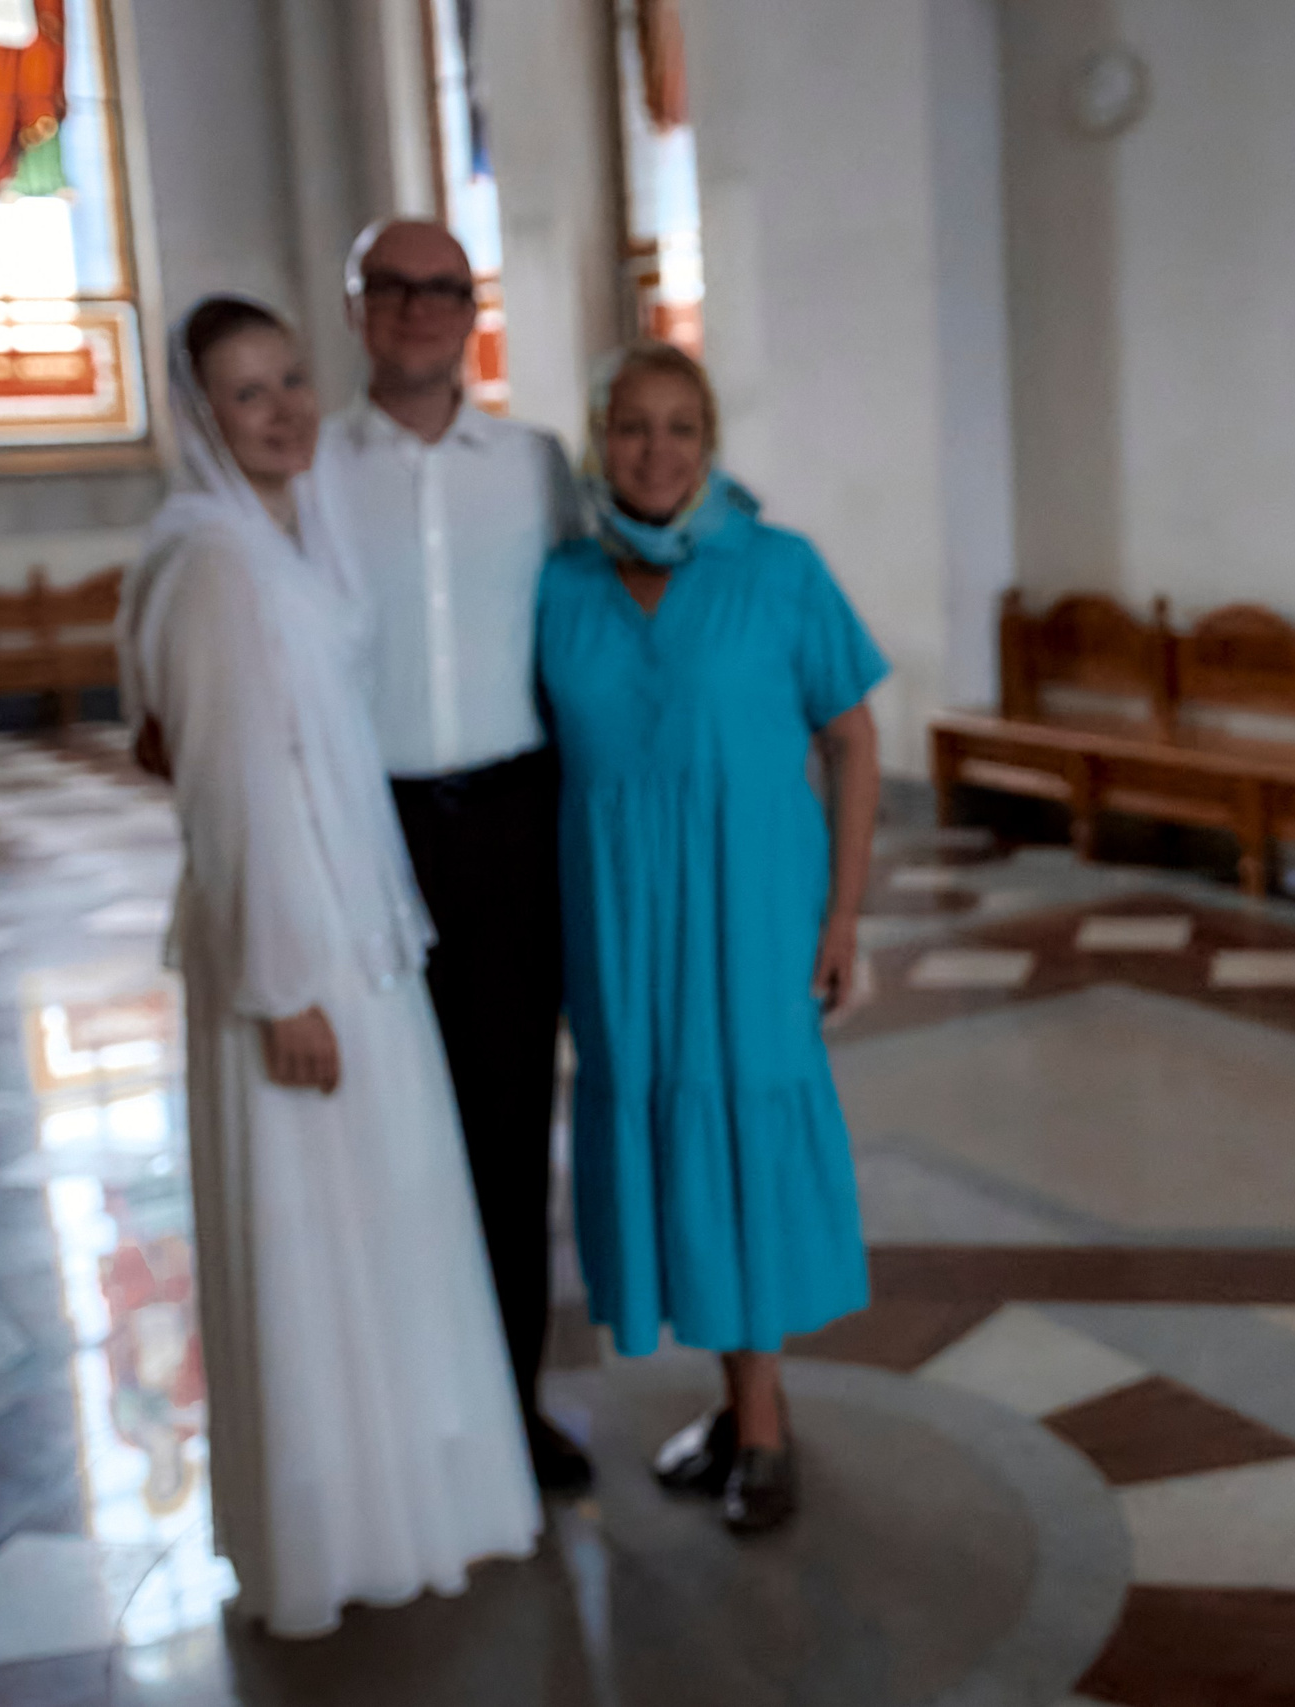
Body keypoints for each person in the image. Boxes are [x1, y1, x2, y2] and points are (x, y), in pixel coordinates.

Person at [118, 297, 539, 1638]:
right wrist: (283, 984)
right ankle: (339, 1521)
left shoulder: (295, 534)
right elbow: (231, 798)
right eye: (248, 394)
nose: (286, 409)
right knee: (320, 1240)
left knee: (389, 1221)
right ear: (202, 417)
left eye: (293, 380)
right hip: (296, 954)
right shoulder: (216, 564)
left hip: (364, 930)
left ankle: (407, 1496)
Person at [535, 341, 885, 1536]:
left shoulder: (780, 570)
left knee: (742, 1145)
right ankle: (734, 1411)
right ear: (598, 440)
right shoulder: (559, 585)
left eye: (681, 426)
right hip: (619, 932)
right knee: (667, 1150)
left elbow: (853, 738)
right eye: (631, 426)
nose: (656, 450)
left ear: (712, 438)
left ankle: (766, 1422)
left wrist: (841, 915)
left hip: (750, 920)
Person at [316, 219, 591, 1494]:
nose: (419, 308)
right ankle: (400, 1416)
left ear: (472, 311)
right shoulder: (308, 466)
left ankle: (513, 1409)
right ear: (358, 306)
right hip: (369, 826)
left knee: (499, 1125)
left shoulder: (535, 468)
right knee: (377, 1129)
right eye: (394, 287)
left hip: (514, 823)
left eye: (443, 289)